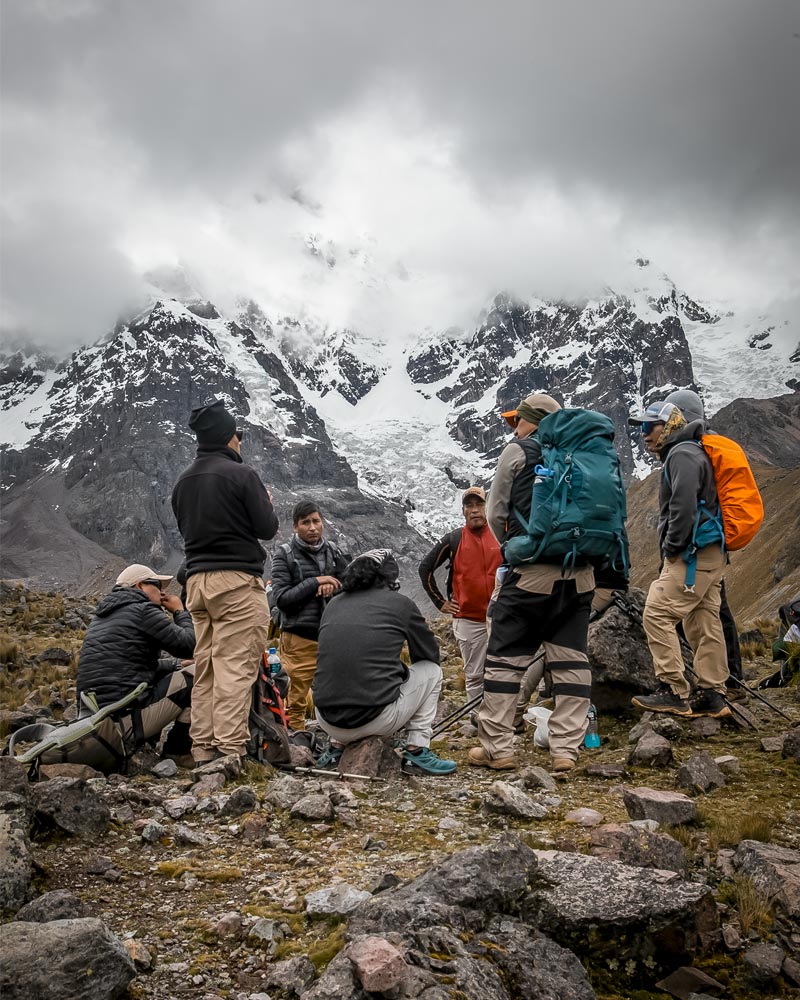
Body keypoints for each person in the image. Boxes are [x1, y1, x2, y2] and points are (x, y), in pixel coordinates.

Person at [469, 392, 595, 773]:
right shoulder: (589, 454)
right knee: (571, 659)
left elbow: (495, 512)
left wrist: (515, 548)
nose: (514, 427)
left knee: (504, 660)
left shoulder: (519, 451)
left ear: (530, 420)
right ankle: (565, 751)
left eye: (517, 421)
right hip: (580, 576)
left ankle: (498, 749)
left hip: (531, 574)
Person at [171, 399, 279, 763]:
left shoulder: (183, 482)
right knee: (236, 667)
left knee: (207, 669)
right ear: (227, 436)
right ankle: (231, 752)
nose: (240, 441)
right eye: (239, 435)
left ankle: (202, 748)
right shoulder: (242, 475)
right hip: (236, 583)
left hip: (197, 586)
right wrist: (265, 502)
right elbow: (267, 528)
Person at [313, 549, 457, 776]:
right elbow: (428, 654)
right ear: (390, 577)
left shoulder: (334, 604)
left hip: (326, 718)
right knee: (432, 671)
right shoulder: (400, 604)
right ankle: (417, 750)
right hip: (375, 719)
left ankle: (335, 748)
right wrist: (399, 673)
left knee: (342, 672)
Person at [629, 400, 729, 718]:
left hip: (692, 555)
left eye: (649, 427)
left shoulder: (682, 454)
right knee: (703, 620)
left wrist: (673, 548)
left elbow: (683, 507)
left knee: (657, 613)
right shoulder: (690, 452)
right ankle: (712, 695)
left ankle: (674, 691)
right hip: (710, 553)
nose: (644, 435)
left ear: (669, 424)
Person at [663, 389, 745, 700]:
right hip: (710, 541)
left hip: (695, 544)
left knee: (668, 611)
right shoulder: (704, 449)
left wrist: (672, 546)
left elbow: (685, 505)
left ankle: (689, 685)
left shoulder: (688, 452)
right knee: (711, 609)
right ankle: (722, 681)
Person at [76, 563, 196, 766]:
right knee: (197, 674)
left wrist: (174, 664)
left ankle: (149, 745)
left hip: (98, 722)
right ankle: (178, 750)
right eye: (157, 585)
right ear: (140, 585)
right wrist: (179, 611)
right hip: (123, 723)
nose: (162, 592)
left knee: (179, 670)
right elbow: (190, 645)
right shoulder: (142, 609)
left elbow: (131, 665)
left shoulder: (104, 615)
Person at [270, 499, 349, 734]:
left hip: (332, 633)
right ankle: (294, 739)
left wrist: (333, 586)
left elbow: (351, 582)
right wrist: (315, 582)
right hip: (298, 636)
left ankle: (337, 735)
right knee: (296, 695)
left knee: (338, 689)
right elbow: (281, 598)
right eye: (306, 522)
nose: (313, 527)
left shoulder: (333, 551)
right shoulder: (284, 555)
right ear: (295, 526)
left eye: (316, 521)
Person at [418, 486, 502, 707]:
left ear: (488, 507)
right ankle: (477, 716)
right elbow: (425, 568)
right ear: (463, 511)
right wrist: (439, 602)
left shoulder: (502, 534)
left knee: (504, 670)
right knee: (474, 674)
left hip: (503, 616)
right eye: (470, 506)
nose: (475, 510)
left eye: (480, 504)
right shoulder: (454, 539)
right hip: (469, 619)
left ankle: (503, 715)